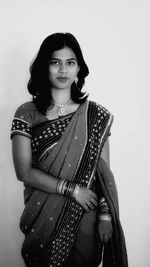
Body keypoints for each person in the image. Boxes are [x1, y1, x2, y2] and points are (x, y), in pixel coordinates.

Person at [10, 32, 128, 267]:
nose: (63, 70)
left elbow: (104, 174)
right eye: (55, 62)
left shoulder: (95, 116)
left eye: (70, 63)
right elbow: (23, 171)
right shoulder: (27, 113)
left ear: (78, 69)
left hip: (85, 214)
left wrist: (105, 215)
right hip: (42, 215)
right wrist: (73, 190)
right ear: (45, 67)